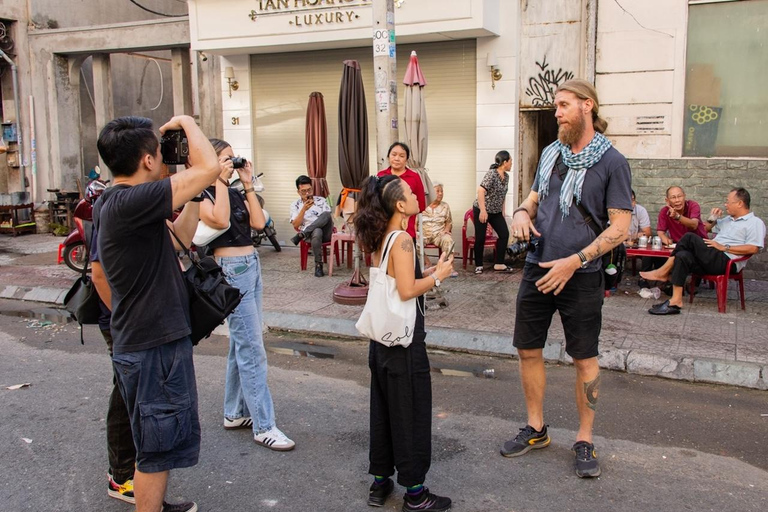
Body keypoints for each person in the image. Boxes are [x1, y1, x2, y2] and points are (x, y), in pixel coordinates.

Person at [504, 79, 632, 478]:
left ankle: (584, 439)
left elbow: (620, 228)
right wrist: (521, 214)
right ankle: (537, 428)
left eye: (562, 105)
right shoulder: (551, 154)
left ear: (586, 106)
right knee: (528, 350)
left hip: (582, 274)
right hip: (538, 266)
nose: (556, 112)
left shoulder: (613, 162)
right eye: (555, 106)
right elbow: (534, 198)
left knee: (584, 359)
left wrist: (575, 261)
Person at [93, 115, 220, 512]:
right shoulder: (130, 200)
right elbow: (210, 168)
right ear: (148, 160)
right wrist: (186, 122)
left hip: (150, 340)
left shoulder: (124, 205)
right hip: (152, 346)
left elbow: (180, 237)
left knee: (160, 440)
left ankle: (157, 505)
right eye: (160, 152)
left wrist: (196, 197)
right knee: (155, 449)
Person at [355, 173, 454, 511]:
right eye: (411, 192)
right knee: (410, 412)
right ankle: (415, 493)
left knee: (382, 411)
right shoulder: (403, 240)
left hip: (380, 342)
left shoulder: (383, 236)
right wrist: (438, 278)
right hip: (404, 345)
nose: (417, 194)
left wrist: (428, 272)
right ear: (401, 205)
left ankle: (380, 482)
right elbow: (407, 290)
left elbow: (398, 279)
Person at [199, 139, 295, 451]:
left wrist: (248, 185)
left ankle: (234, 412)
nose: (233, 162)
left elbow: (258, 223)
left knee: (241, 344)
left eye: (233, 158)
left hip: (250, 264)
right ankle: (264, 426)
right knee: (253, 349)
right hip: (231, 267)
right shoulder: (204, 191)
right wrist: (220, 179)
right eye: (226, 158)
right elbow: (218, 220)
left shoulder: (235, 190)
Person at [640, 188, 765, 315]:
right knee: (683, 256)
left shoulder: (754, 223)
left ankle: (663, 271)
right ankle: (676, 300)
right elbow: (705, 228)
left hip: (727, 261)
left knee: (689, 237)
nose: (725, 205)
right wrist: (713, 218)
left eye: (728, 202)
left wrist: (724, 247)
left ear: (740, 203)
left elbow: (753, 248)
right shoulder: (728, 220)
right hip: (712, 257)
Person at [90, 230, 137, 505]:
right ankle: (120, 476)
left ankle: (129, 469)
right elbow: (99, 275)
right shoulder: (114, 207)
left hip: (131, 320)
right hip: (120, 322)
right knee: (124, 392)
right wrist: (123, 320)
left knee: (127, 389)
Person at [377, 142, 426, 241]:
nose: (397, 159)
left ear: (406, 159)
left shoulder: (414, 177)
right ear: (388, 157)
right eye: (394, 155)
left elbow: (421, 205)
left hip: (407, 228)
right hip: (383, 227)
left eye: (401, 156)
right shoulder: (381, 175)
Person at [473, 150, 513, 274]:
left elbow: (503, 195)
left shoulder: (506, 177)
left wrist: (503, 211)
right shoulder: (492, 174)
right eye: (510, 161)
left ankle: (499, 263)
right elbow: (480, 191)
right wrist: (483, 211)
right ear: (505, 162)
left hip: (495, 212)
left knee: (504, 234)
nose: (512, 164)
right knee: (480, 238)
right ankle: (479, 265)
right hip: (482, 209)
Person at [290, 175, 333, 277]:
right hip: (310, 237)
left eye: (309, 190)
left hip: (326, 232)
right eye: (304, 191)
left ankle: (302, 234)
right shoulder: (295, 205)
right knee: (317, 231)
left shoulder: (321, 200)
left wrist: (304, 232)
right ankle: (318, 265)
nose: (308, 193)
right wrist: (303, 209)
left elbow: (327, 218)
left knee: (326, 214)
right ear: (298, 192)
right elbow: (295, 224)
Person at [421, 182, 456, 273]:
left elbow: (449, 222)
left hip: (439, 234)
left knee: (448, 239)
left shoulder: (445, 206)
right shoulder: (422, 205)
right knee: (414, 242)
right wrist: (416, 233)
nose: (440, 193)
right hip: (424, 234)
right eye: (437, 191)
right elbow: (415, 222)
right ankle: (427, 263)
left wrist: (446, 230)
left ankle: (450, 266)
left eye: (442, 191)